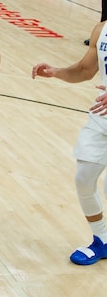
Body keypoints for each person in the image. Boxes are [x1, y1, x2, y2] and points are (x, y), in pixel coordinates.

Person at [31, 22, 107, 265]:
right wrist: (57, 72)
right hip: (101, 114)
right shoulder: (102, 29)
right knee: (84, 178)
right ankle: (102, 239)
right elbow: (85, 70)